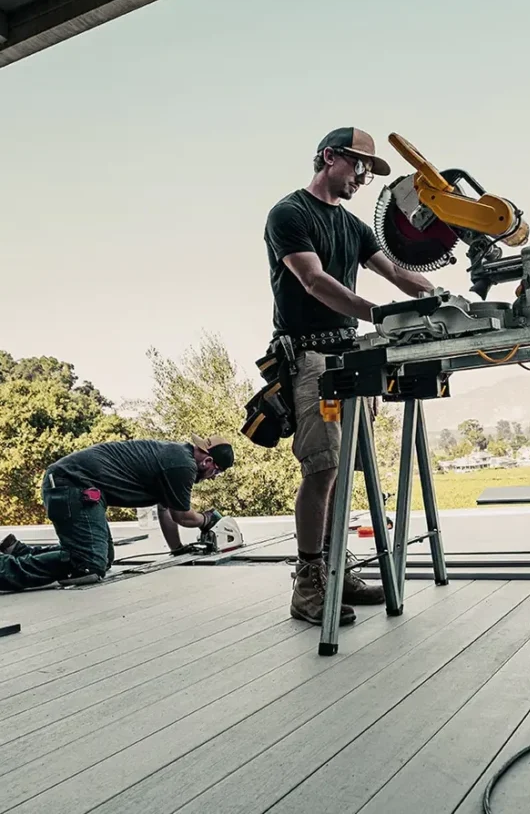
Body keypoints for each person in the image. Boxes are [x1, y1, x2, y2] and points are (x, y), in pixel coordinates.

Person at [264, 127, 434, 626]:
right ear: (328, 157)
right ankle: (309, 584)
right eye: (359, 166)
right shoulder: (289, 213)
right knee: (321, 468)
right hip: (312, 357)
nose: (363, 178)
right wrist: (378, 314)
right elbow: (313, 280)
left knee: (345, 471)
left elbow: (396, 273)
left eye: (369, 171)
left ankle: (336, 566)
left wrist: (435, 297)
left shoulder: (354, 227)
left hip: (351, 356)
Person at [0, 434, 233, 591]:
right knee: (89, 565)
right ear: (208, 462)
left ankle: (20, 552)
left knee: (103, 559)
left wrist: (178, 549)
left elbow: (166, 509)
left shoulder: (177, 457)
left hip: (78, 486)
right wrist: (208, 519)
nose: (213, 478)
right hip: (71, 484)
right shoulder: (183, 465)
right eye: (217, 472)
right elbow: (182, 516)